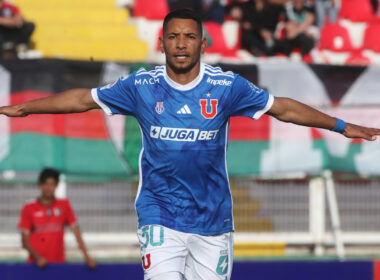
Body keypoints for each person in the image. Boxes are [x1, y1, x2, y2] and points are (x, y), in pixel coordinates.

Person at [2, 8, 379, 280]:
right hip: (160, 216)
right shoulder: (141, 86)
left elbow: (282, 108)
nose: (181, 44)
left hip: (214, 221)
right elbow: (82, 98)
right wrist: (24, 107)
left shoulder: (227, 87)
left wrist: (343, 126)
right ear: (161, 42)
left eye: (189, 36)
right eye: (173, 36)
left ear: (202, 42)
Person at [18, 168, 96, 269]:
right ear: (40, 185)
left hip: (58, 264)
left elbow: (76, 232)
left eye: (52, 184)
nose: (48, 188)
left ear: (57, 185)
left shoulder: (64, 205)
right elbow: (25, 241)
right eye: (45, 184)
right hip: (35, 265)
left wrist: (87, 257)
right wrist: (38, 258)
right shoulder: (29, 207)